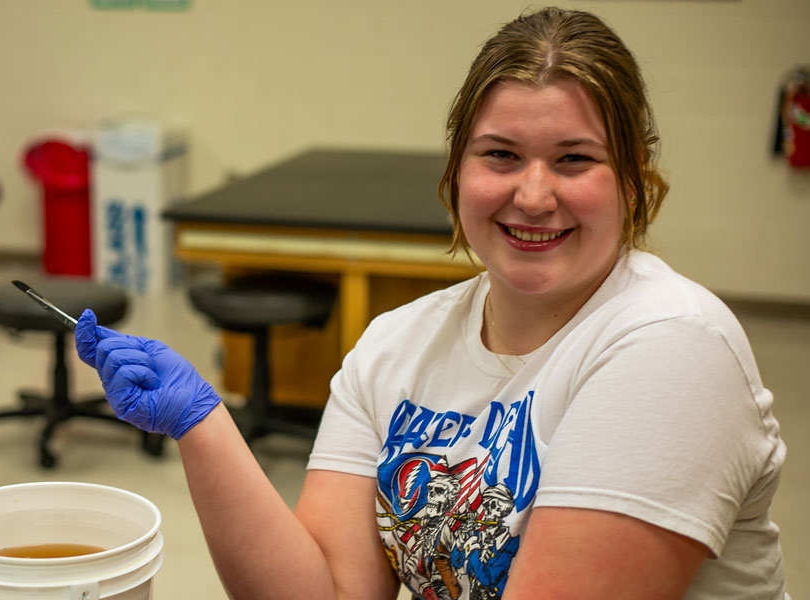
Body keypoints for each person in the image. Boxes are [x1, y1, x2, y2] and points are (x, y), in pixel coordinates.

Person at [74, 7, 789, 599]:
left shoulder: (671, 346)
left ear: (633, 182)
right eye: (501, 155)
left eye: (574, 159)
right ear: (457, 173)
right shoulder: (396, 345)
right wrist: (205, 427)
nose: (533, 194)